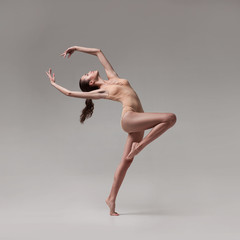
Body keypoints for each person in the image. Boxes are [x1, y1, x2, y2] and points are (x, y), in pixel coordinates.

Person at [46, 46, 177, 216]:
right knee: (170, 118)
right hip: (129, 119)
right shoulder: (102, 91)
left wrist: (76, 48)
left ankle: (111, 199)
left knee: (126, 161)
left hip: (138, 119)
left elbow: (98, 52)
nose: (88, 71)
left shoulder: (112, 78)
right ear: (91, 83)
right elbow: (70, 93)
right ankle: (141, 146)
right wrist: (53, 83)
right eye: (86, 75)